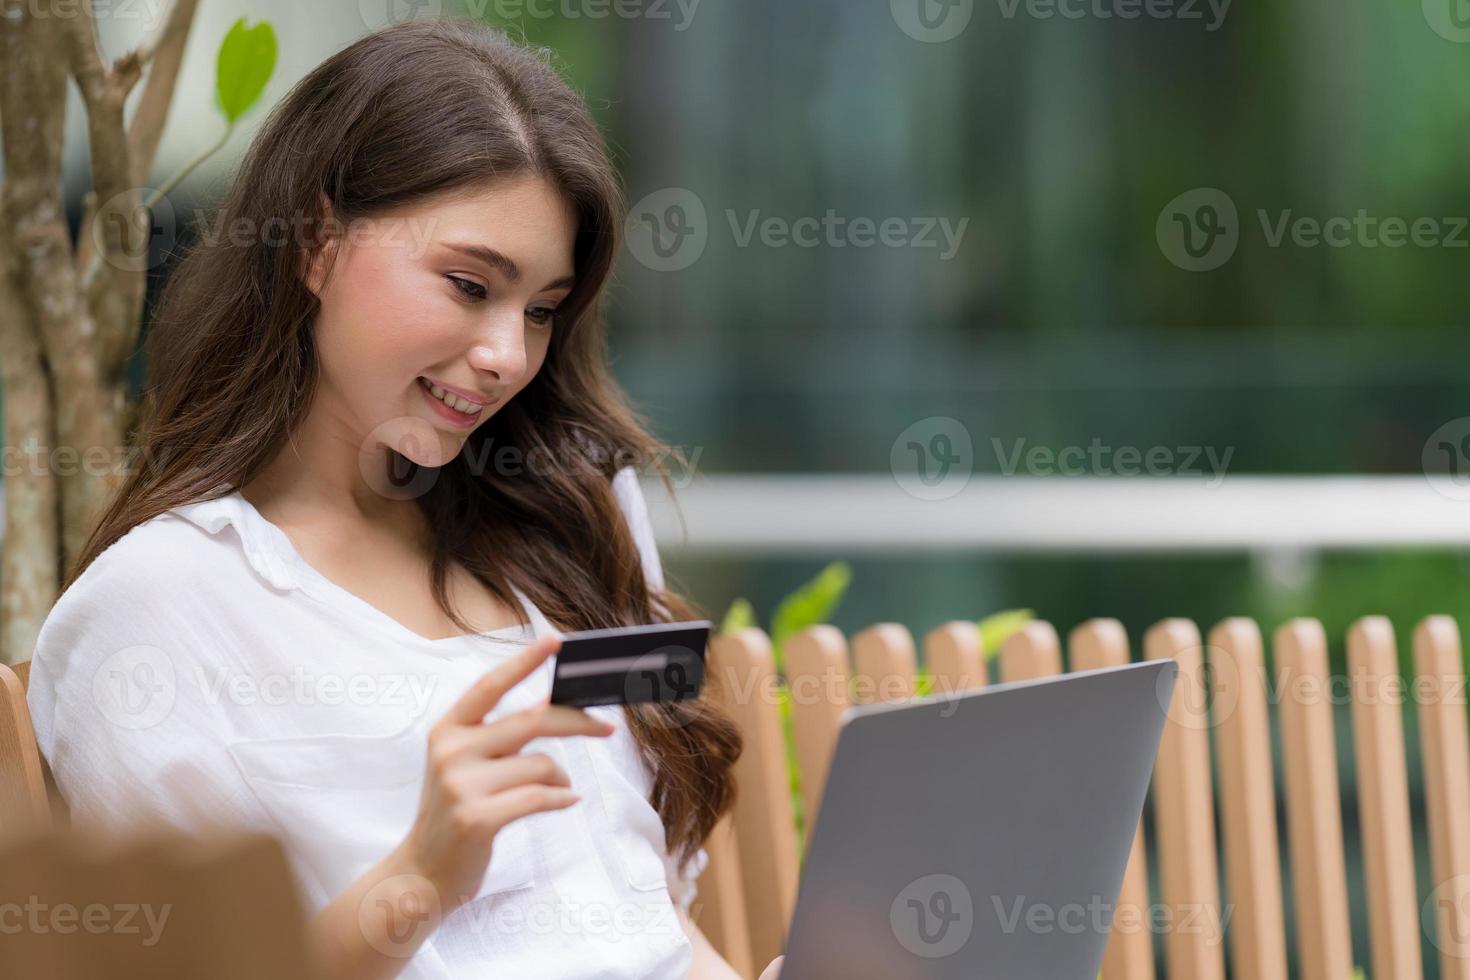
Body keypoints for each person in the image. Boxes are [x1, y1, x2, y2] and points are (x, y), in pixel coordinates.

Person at [26, 18, 783, 980]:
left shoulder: (565, 519)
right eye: (469, 285)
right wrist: (424, 874)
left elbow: (652, 922)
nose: (510, 353)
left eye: (542, 309)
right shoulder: (161, 606)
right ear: (315, 241)